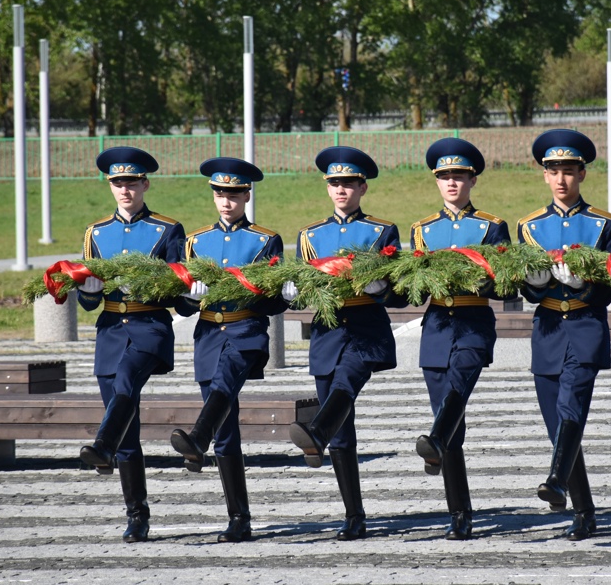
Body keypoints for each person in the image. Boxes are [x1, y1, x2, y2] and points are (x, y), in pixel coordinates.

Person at [285, 146, 405, 541]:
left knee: (346, 383)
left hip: (364, 328)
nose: (341, 189)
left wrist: (380, 287)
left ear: (362, 187)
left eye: (348, 183)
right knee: (343, 432)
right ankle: (354, 515)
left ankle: (315, 431)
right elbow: (303, 286)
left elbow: (398, 286)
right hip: (327, 331)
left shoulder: (381, 231)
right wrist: (290, 291)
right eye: (334, 183)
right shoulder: (309, 236)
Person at [169, 157, 287, 543]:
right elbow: (183, 306)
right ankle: (239, 517)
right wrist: (187, 294)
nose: (226, 200)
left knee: (225, 384)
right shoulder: (196, 242)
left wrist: (282, 295)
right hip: (208, 335)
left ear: (246, 195)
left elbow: (272, 302)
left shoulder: (265, 240)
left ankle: (196, 438)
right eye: (220, 193)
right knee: (227, 430)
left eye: (233, 193)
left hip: (246, 332)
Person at [517, 129, 611, 540]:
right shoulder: (529, 226)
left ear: (582, 173)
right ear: (544, 175)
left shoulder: (604, 224)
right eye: (552, 171)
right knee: (557, 426)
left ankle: (558, 483)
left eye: (568, 170)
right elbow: (522, 286)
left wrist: (586, 287)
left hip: (585, 325)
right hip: (546, 331)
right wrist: (537, 284)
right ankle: (585, 509)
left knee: (571, 409)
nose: (560, 179)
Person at [77, 146, 185, 543]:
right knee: (127, 428)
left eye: (131, 182)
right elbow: (89, 300)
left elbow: (177, 286)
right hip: (110, 332)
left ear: (145, 184)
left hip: (149, 327)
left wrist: (176, 288)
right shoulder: (96, 233)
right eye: (117, 183)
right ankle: (136, 513)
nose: (125, 189)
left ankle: (101, 445)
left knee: (126, 382)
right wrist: (87, 290)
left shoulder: (166, 229)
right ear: (111, 186)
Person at [409, 137, 512, 540]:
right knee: (451, 423)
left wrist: (482, 276)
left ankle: (437, 445)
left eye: (459, 176)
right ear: (437, 181)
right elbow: (413, 286)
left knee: (457, 393)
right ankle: (459, 511)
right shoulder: (422, 230)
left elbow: (505, 282)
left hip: (473, 320)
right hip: (436, 325)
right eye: (444, 176)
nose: (452, 183)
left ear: (472, 180)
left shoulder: (490, 226)